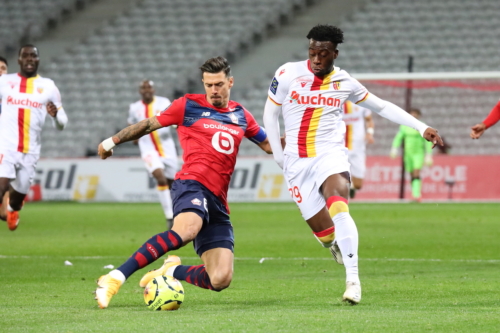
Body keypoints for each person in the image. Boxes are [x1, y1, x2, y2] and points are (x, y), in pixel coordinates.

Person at [263, 24, 443, 304]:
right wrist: (277, 155)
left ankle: (353, 281)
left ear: (335, 53)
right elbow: (269, 115)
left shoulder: (344, 82)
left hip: (329, 155)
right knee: (324, 235)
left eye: (323, 53)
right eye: (312, 52)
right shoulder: (287, 73)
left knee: (339, 206)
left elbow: (381, 106)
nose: (316, 58)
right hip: (296, 163)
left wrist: (421, 127)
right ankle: (332, 243)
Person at [94, 56, 272, 309]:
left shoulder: (241, 115)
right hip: (191, 184)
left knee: (220, 279)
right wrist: (111, 142)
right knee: (186, 230)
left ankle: (171, 271)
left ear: (230, 82)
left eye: (219, 84)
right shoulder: (187, 105)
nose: (214, 90)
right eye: (209, 85)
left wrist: (307, 141)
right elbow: (148, 125)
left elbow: (268, 145)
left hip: (218, 201)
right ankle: (114, 277)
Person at [0, 45, 68, 230]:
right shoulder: (5, 81)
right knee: (1, 186)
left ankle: (13, 208)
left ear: (38, 60)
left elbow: (62, 122)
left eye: (33, 56)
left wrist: (55, 116)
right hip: (6, 147)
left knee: (17, 199)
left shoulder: (48, 86)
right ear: (19, 60)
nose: (30, 59)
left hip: (30, 151)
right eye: (26, 56)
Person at [128, 79, 178, 229]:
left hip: (167, 149)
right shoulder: (134, 108)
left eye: (149, 88)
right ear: (140, 91)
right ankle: (169, 217)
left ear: (153, 90)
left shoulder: (164, 103)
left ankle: (177, 213)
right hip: (148, 150)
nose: (146, 90)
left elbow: (174, 120)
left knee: (172, 185)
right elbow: (131, 127)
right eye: (143, 88)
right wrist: (134, 136)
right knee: (160, 178)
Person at [390, 108, 433, 202]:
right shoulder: (404, 126)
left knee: (416, 171)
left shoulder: (422, 126)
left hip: (418, 153)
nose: (413, 116)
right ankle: (414, 193)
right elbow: (398, 137)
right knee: (412, 174)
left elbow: (428, 141)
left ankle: (417, 194)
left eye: (415, 114)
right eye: (412, 114)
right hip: (408, 154)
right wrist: (394, 148)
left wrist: (429, 155)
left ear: (418, 116)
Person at [342, 101, 374, 199]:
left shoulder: (360, 102)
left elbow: (369, 120)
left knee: (358, 185)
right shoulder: (336, 102)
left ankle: (351, 186)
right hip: (340, 146)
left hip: (358, 146)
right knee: (337, 176)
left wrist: (369, 132)